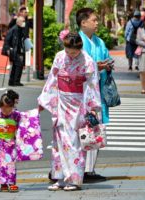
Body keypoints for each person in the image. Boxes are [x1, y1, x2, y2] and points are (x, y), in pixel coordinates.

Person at [38, 32, 102, 191]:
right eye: (68, 51)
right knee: (58, 141)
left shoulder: (87, 61)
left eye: (73, 52)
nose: (70, 55)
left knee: (73, 142)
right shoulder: (60, 57)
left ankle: (74, 179)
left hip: (79, 102)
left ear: (79, 48)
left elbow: (92, 85)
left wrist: (92, 108)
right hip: (61, 100)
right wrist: (44, 100)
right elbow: (52, 80)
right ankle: (59, 177)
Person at [0, 90, 42, 193]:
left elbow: (28, 118)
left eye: (9, 108)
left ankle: (12, 183)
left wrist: (38, 110)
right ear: (0, 106)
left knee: (10, 164)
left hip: (11, 144)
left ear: (12, 106)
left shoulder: (16, 114)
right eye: (4, 107)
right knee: (0, 165)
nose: (6, 110)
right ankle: (3, 184)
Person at [76, 7, 114, 183]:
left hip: (96, 91)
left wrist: (106, 65)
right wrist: (94, 68)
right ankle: (80, 168)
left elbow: (107, 58)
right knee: (81, 130)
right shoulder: (76, 41)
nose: (97, 23)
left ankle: (90, 170)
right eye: (94, 20)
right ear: (83, 22)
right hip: (81, 93)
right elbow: (74, 67)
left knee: (96, 128)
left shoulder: (99, 42)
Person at [2, 16, 27, 86]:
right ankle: (16, 81)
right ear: (18, 22)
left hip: (18, 50)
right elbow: (7, 39)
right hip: (13, 50)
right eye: (23, 21)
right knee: (19, 65)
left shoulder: (20, 29)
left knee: (16, 66)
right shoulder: (13, 29)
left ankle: (12, 81)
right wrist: (7, 49)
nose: (24, 23)